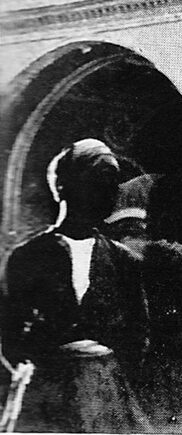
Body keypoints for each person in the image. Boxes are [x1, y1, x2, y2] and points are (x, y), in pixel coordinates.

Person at [0, 139, 150, 432]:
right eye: (95, 182)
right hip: (45, 394)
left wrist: (108, 374)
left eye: (111, 184)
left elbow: (138, 333)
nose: (106, 193)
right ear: (62, 187)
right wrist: (44, 366)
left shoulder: (123, 261)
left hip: (107, 399)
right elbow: (9, 333)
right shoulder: (28, 256)